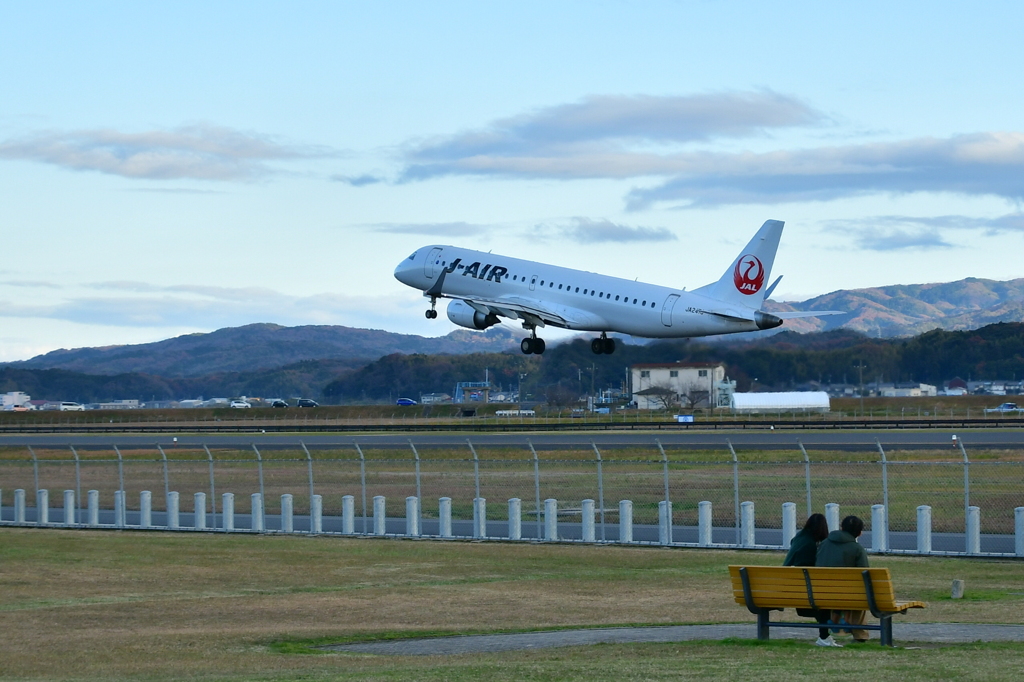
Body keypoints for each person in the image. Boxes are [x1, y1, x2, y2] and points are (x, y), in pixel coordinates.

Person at [783, 514, 840, 647]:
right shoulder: (810, 546)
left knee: (821, 602)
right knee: (824, 603)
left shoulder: (798, 539)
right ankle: (824, 637)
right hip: (802, 591)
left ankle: (825, 636)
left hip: (788, 587)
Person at [816, 515, 870, 642]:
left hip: (821, 593)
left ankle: (836, 626)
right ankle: (860, 635)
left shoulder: (824, 543)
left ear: (842, 527)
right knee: (861, 597)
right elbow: (865, 574)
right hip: (846, 595)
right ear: (860, 533)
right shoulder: (857, 549)